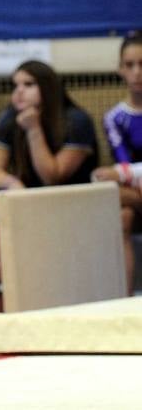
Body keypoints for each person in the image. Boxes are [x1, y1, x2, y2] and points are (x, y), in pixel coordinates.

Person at [0, 60, 98, 191]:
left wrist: (33, 129)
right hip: (29, 198)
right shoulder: (9, 117)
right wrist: (11, 183)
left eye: (29, 84)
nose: (19, 91)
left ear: (47, 87)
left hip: (74, 198)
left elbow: (52, 178)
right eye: (15, 86)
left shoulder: (77, 120)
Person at [91, 33, 142, 293]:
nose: (137, 73)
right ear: (120, 69)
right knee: (121, 215)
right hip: (134, 194)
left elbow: (121, 171)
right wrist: (120, 174)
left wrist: (121, 173)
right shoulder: (114, 117)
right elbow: (120, 166)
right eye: (130, 65)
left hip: (130, 187)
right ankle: (126, 300)